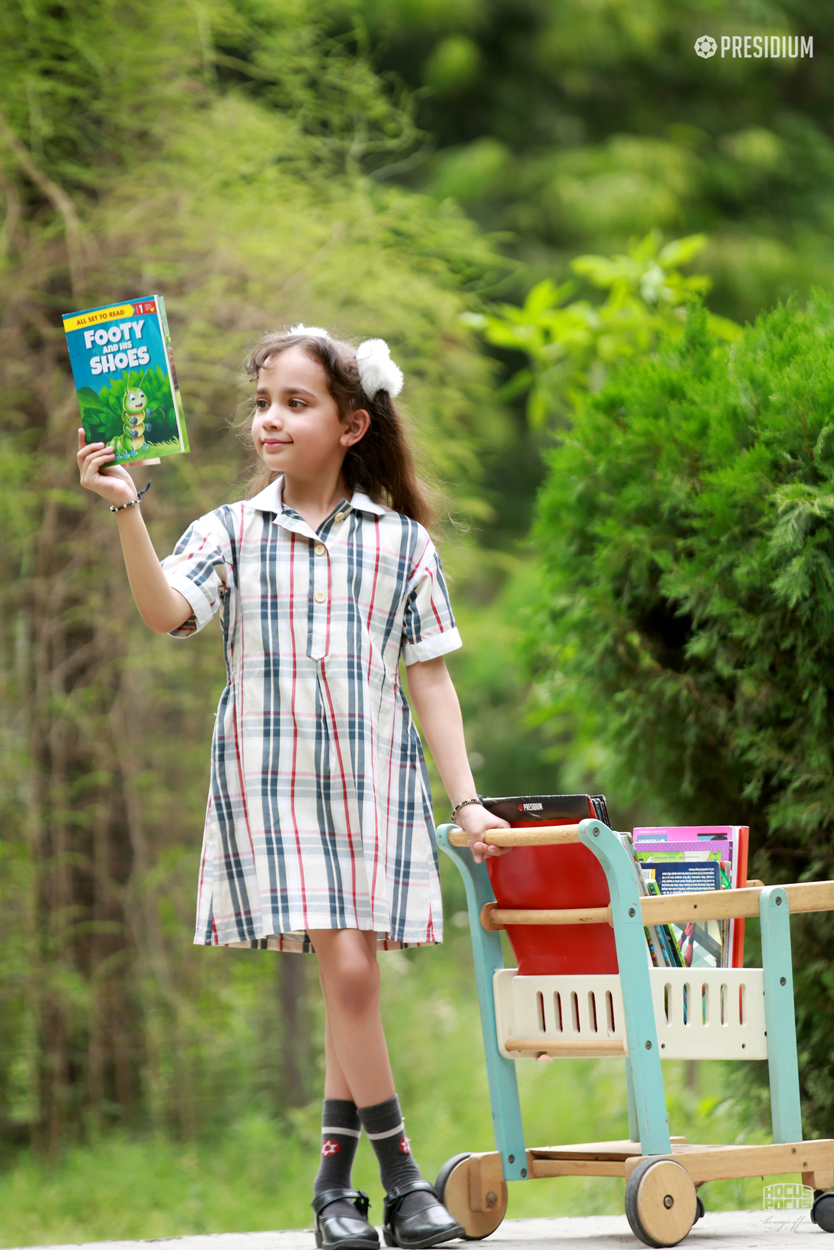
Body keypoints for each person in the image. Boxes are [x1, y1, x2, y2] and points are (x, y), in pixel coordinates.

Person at [77, 324, 510, 1250]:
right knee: (349, 969)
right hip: (271, 789)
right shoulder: (229, 530)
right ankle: (402, 1180)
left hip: (372, 790)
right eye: (262, 401)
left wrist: (467, 800)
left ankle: (330, 1194)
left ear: (352, 425)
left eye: (294, 402)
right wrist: (125, 509)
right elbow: (166, 612)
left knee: (349, 987)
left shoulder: (403, 547)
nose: (269, 418)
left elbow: (430, 677)